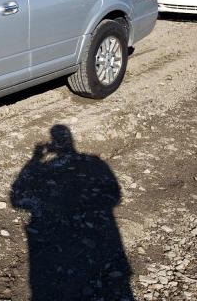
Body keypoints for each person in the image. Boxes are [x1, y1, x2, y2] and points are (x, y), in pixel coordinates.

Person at [10, 125, 133, 301]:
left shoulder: (55, 165)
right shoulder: (94, 162)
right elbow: (114, 196)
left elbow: (16, 198)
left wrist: (35, 159)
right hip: (98, 233)